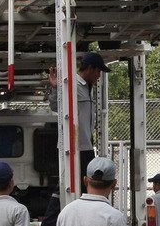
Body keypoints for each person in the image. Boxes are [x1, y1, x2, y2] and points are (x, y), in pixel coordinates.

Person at [48, 51, 112, 192]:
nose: (99, 75)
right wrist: (55, 88)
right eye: (99, 71)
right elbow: (55, 106)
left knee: (84, 186)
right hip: (76, 147)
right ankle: (53, 214)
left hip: (85, 146)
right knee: (77, 186)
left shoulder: (86, 87)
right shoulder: (73, 84)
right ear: (90, 68)